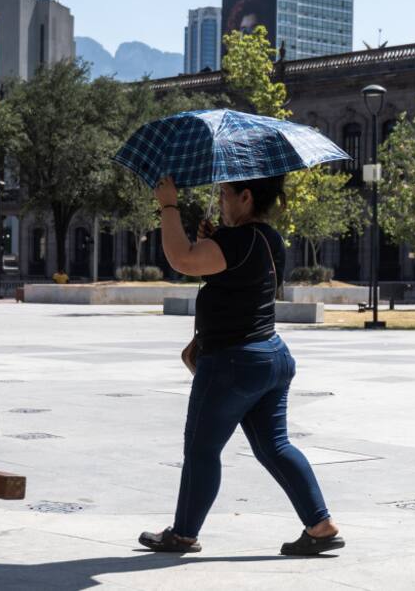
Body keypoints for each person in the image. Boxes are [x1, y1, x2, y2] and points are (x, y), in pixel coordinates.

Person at [139, 175, 343, 556]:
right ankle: (320, 524)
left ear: (245, 197)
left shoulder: (235, 242)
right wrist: (216, 238)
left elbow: (182, 258)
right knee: (274, 446)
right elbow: (233, 271)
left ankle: (183, 534)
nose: (221, 199)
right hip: (272, 356)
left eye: (225, 194)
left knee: (202, 449)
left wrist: (168, 205)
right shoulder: (269, 239)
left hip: (233, 361)